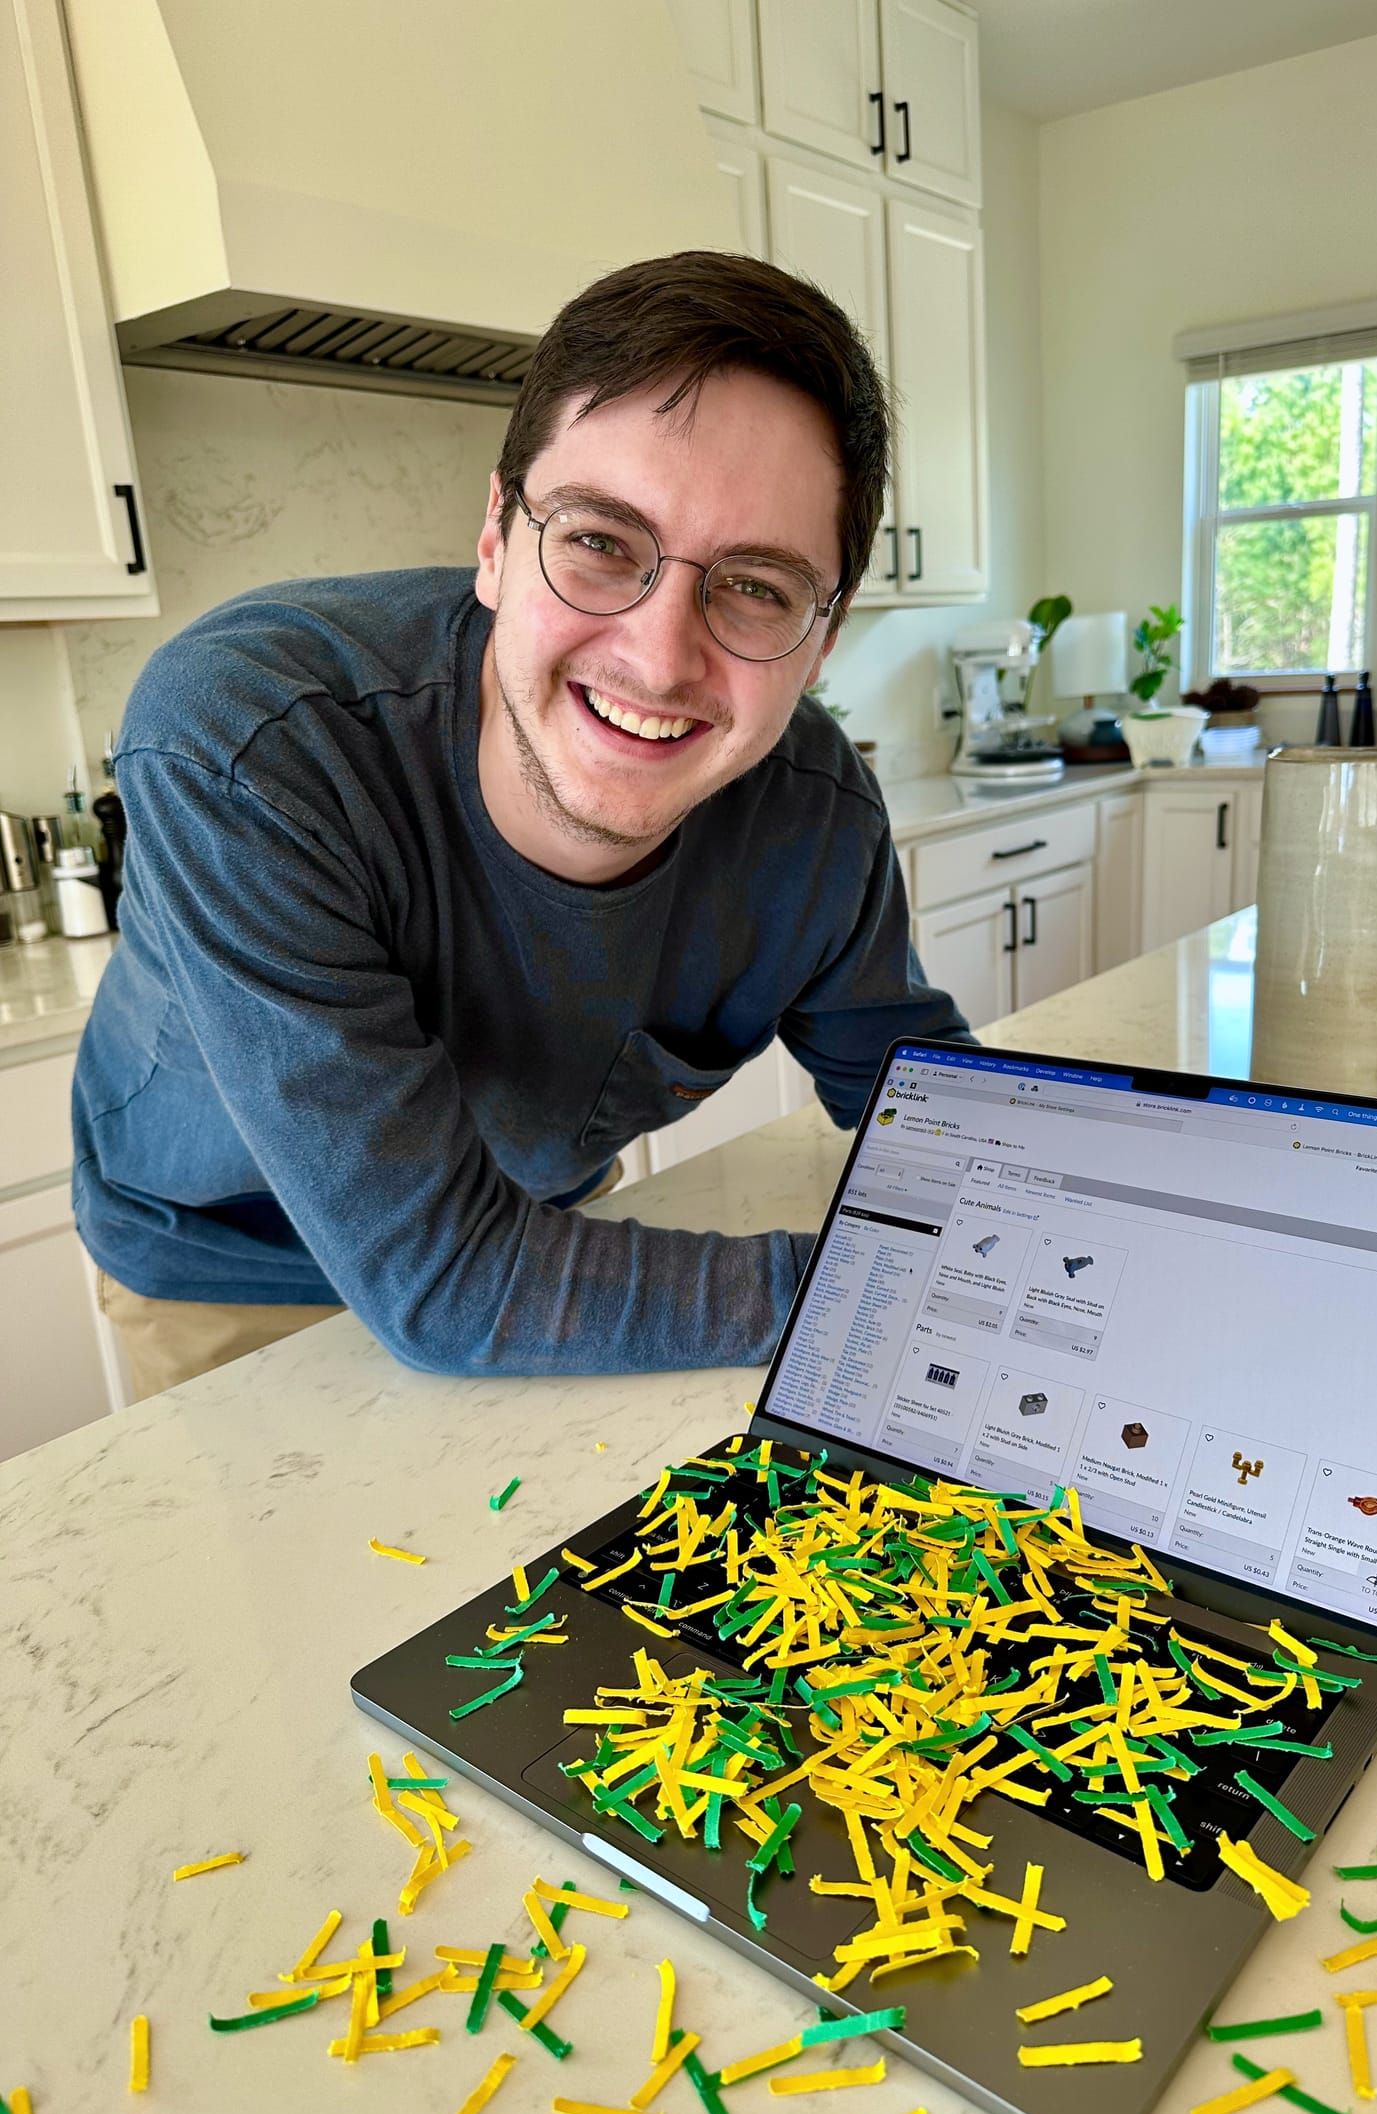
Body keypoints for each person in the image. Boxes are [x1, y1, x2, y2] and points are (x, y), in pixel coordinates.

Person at [73, 250, 972, 1400]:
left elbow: (916, 1093)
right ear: (496, 539)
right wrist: (874, 1297)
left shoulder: (814, 812)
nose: (658, 656)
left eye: (757, 585)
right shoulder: (253, 741)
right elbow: (444, 1285)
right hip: (225, 1271)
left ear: (825, 635)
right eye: (601, 540)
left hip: (543, 1245)